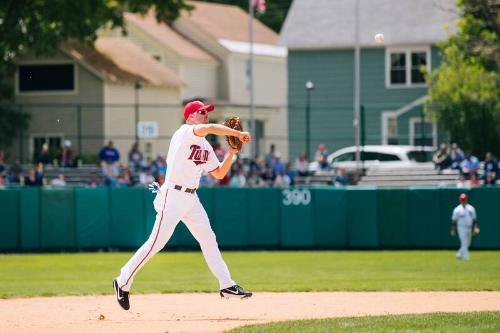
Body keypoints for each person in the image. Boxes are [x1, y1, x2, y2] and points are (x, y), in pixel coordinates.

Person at [113, 100, 252, 311]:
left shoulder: (205, 146)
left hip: (191, 198)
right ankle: (122, 281)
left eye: (207, 112)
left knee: (208, 239)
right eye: (202, 111)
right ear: (190, 117)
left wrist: (232, 153)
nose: (206, 114)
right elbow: (208, 128)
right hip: (173, 195)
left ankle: (227, 285)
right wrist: (235, 133)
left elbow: (219, 174)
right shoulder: (185, 132)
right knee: (155, 244)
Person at [450, 193, 479, 261]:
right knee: (464, 242)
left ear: (467, 199)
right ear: (460, 200)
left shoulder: (471, 208)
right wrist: (453, 230)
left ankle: (459, 254)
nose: (463, 201)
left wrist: (475, 228)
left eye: (464, 199)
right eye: (462, 199)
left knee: (468, 243)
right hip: (461, 228)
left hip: (469, 227)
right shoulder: (457, 209)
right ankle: (467, 258)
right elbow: (454, 220)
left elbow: (474, 220)